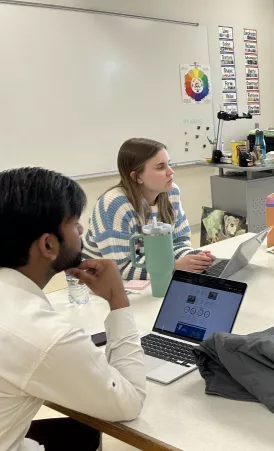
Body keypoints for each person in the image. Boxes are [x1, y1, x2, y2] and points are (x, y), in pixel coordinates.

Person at [0, 167, 146, 451]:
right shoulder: (44, 335)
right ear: (48, 244)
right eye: (75, 223)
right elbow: (130, 401)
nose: (81, 230)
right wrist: (117, 299)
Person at [83, 138, 214, 279]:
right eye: (160, 167)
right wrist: (174, 266)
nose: (171, 172)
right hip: (100, 281)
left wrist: (195, 259)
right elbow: (120, 268)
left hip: (154, 273)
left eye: (168, 164)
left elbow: (179, 241)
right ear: (137, 176)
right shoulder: (113, 205)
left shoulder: (171, 192)